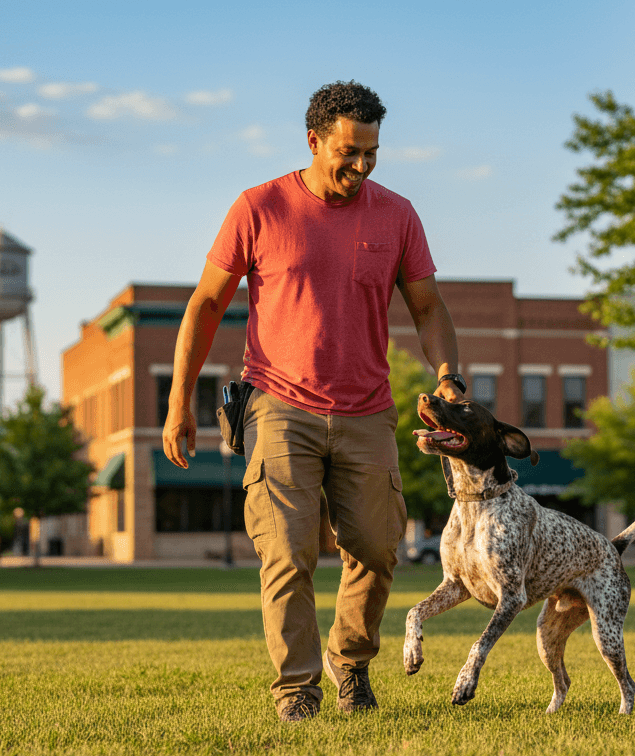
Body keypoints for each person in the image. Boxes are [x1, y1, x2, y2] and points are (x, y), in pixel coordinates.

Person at [162, 80, 464, 723]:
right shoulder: (259, 207)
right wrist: (179, 400)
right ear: (314, 141)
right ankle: (297, 688)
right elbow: (206, 304)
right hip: (278, 405)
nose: (360, 166)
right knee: (287, 551)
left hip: (367, 411)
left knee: (379, 549)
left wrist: (448, 378)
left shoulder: (397, 215)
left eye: (372, 153)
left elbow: (429, 308)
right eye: (348, 152)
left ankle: (349, 662)